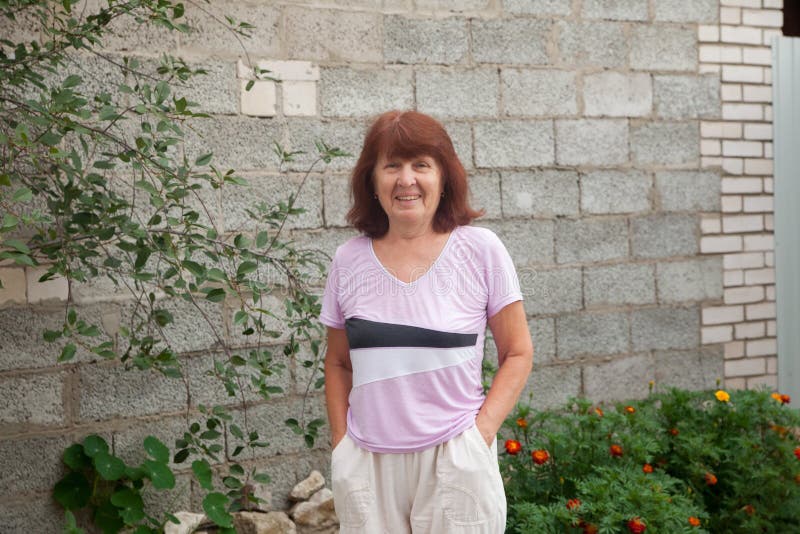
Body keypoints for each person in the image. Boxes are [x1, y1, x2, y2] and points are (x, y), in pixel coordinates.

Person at [320, 110, 534, 534]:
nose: (406, 180)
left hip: (454, 458)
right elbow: (338, 363)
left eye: (421, 165)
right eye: (392, 165)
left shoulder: (480, 250)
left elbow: (518, 352)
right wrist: (342, 447)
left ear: (443, 177)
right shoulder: (348, 261)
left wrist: (479, 436)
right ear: (373, 180)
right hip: (368, 466)